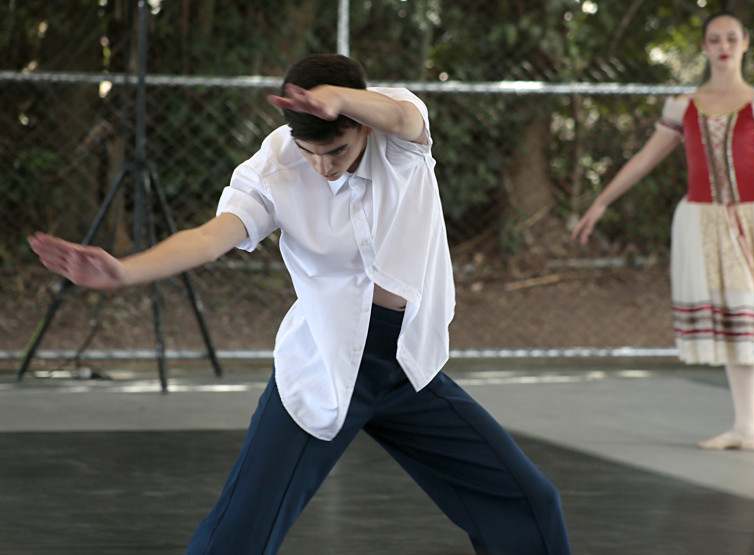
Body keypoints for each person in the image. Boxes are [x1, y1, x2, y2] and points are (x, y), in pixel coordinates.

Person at [29, 54, 571, 554]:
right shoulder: (274, 170)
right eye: (310, 152)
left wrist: (340, 98)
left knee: (529, 502)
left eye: (336, 150)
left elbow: (403, 118)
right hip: (325, 368)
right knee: (237, 537)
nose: (324, 167)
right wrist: (126, 270)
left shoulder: (398, 136)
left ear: (359, 125)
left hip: (407, 369)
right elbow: (211, 237)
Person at [571, 13, 754, 451]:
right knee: (735, 316)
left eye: (732, 38)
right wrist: (602, 201)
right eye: (715, 39)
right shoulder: (685, 107)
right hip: (705, 221)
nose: (723, 46)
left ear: (746, 43)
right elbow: (643, 159)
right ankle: (748, 426)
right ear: (704, 46)